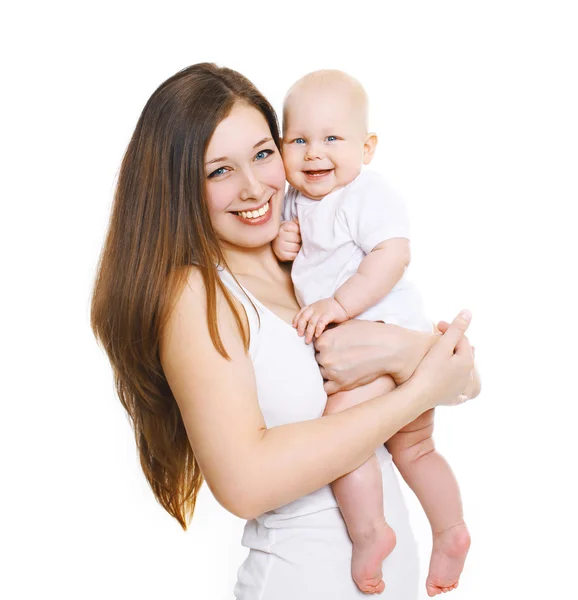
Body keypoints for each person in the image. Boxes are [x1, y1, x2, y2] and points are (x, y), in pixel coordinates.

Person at [90, 63, 480, 600]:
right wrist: (417, 388)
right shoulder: (196, 293)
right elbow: (246, 484)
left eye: (262, 154)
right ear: (178, 188)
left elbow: (463, 379)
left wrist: (405, 350)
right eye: (218, 171)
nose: (254, 188)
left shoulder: (309, 261)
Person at [273, 69, 472, 596]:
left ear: (368, 147)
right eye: (299, 140)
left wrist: (340, 303)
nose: (314, 153)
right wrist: (284, 243)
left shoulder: (364, 193)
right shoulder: (296, 202)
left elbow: (393, 253)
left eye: (332, 138)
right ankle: (451, 531)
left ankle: (370, 533)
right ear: (282, 147)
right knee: (415, 449)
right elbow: (302, 256)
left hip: (382, 328)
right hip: (383, 341)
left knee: (342, 434)